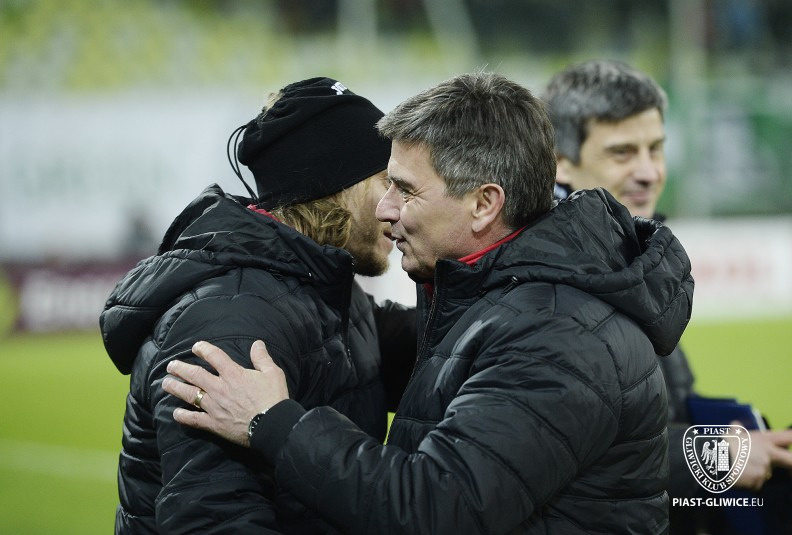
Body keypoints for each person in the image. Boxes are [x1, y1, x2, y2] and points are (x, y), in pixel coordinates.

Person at [163, 71, 695, 534]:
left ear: (484, 204)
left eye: (404, 189)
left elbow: (437, 508)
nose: (385, 209)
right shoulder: (498, 296)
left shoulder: (556, 333)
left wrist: (272, 422)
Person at [100, 77, 416, 533]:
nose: (397, 207)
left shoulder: (322, 287)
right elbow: (213, 521)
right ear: (336, 190)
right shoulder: (229, 324)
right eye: (387, 183)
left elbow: (432, 350)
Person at [541, 59, 792, 535]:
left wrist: (733, 429)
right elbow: (567, 451)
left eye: (655, 148)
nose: (648, 171)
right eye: (622, 152)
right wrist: (718, 453)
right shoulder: (551, 281)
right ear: (560, 162)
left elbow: (655, 409)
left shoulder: (633, 262)